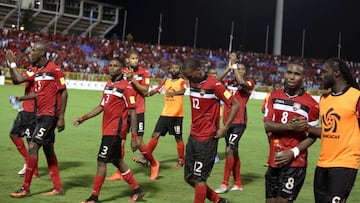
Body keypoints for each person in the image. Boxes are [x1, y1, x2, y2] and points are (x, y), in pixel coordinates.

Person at [282, 58, 360, 203]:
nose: (320, 75)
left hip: (345, 165)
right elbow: (327, 131)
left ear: (336, 73)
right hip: (323, 164)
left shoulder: (356, 97)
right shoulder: (324, 99)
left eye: (325, 72)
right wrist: (306, 127)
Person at [73, 58, 145, 203]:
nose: (111, 68)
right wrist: (83, 118)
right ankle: (137, 190)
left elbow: (133, 112)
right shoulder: (108, 85)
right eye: (110, 65)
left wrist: (134, 137)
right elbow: (101, 106)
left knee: (101, 161)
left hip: (115, 130)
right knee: (117, 161)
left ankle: (94, 197)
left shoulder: (127, 87)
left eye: (115, 66)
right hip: (107, 129)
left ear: (121, 69)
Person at [8, 41, 68, 198]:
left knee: (33, 146)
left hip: (50, 115)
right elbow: (20, 82)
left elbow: (64, 92)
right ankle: (58, 188)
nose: (30, 52)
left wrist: (61, 116)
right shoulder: (38, 71)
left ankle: (25, 188)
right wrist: (12, 65)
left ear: (42, 53)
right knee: (48, 150)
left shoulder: (54, 69)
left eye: (33, 50)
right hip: (40, 114)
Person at [181, 57, 240, 203]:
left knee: (199, 179)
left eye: (189, 75)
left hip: (207, 138)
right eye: (186, 76)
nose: (187, 79)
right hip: (193, 136)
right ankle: (218, 200)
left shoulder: (215, 86)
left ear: (198, 70)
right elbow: (207, 82)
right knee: (189, 178)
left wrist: (225, 128)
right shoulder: (194, 81)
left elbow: (235, 104)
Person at [263, 62, 319, 203]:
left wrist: (293, 152)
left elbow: (313, 135)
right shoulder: (274, 96)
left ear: (303, 78)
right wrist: (290, 127)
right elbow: (267, 125)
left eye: (296, 74)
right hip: (274, 160)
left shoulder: (312, 104)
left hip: (295, 164)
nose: (292, 77)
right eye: (289, 72)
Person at [106, 50, 154, 180]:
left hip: (138, 110)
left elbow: (145, 91)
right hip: (124, 112)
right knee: (120, 141)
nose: (135, 61)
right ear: (127, 60)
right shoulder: (121, 72)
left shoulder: (144, 73)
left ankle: (154, 164)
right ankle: (119, 172)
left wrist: (133, 80)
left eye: (137, 58)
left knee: (138, 142)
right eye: (133, 58)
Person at [214, 52, 255, 194]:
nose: (240, 71)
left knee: (229, 150)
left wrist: (235, 67)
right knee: (234, 152)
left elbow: (241, 82)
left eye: (242, 69)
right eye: (239, 69)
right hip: (227, 123)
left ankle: (224, 184)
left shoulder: (249, 83)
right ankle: (238, 183)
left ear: (245, 71)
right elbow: (215, 82)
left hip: (239, 123)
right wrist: (228, 68)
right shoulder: (227, 83)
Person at [138, 63, 187, 170]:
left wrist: (174, 94)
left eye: (176, 68)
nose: (174, 69)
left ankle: (181, 160)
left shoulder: (182, 81)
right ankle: (146, 158)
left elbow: (183, 90)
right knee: (155, 135)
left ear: (180, 71)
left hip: (177, 115)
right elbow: (156, 90)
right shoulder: (166, 82)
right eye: (173, 67)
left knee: (178, 138)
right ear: (169, 70)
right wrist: (146, 94)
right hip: (165, 114)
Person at [6, 50, 39, 177]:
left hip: (31, 111)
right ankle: (30, 165)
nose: (29, 55)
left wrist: (13, 64)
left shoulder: (35, 70)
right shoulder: (33, 69)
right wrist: (11, 65)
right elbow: (16, 80)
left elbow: (18, 79)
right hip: (27, 109)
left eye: (32, 52)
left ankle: (33, 170)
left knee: (31, 142)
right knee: (15, 134)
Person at [262, 82, 282, 167]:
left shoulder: (270, 96)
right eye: (276, 86)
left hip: (275, 124)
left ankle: (273, 161)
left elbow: (263, 109)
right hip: (270, 123)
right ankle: (273, 161)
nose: (278, 88)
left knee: (274, 143)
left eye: (279, 86)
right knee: (272, 143)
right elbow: (263, 108)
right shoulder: (270, 96)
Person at [207, 66, 221, 164]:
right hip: (206, 115)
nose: (214, 75)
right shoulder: (206, 85)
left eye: (215, 73)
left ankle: (214, 154)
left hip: (216, 115)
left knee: (215, 134)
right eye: (212, 73)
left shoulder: (218, 85)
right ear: (208, 75)